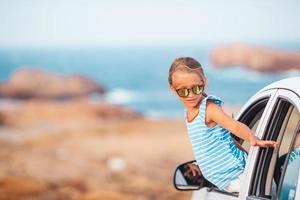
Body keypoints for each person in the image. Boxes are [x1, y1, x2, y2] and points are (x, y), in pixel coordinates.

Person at [168, 57, 278, 193]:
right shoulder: (188, 112)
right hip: (228, 180)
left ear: (204, 82)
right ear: (173, 89)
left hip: (238, 174)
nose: (191, 95)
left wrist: (252, 139)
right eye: (183, 91)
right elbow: (224, 139)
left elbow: (234, 126)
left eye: (196, 88)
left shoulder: (209, 109)